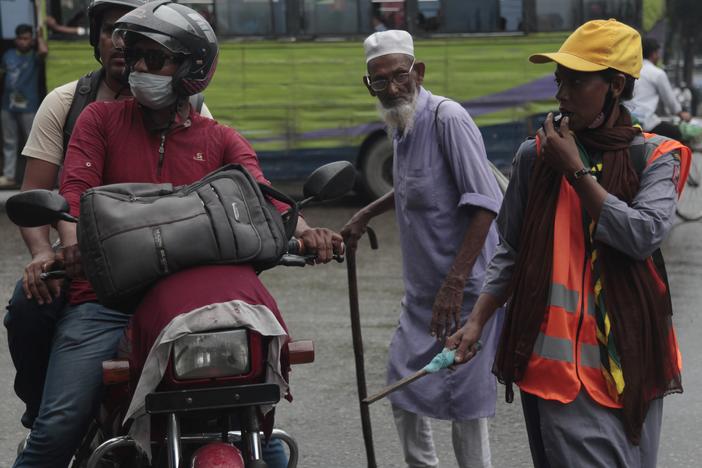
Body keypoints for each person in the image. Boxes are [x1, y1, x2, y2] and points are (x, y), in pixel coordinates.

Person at [11, 1, 340, 466]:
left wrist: (308, 232)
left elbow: (262, 196)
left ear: (192, 68)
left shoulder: (221, 138)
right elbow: (75, 194)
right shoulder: (98, 120)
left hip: (198, 305)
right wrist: (74, 247)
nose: (137, 67)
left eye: (153, 57)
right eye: (134, 55)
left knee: (263, 436)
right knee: (57, 426)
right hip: (106, 300)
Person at [447, 19, 691, 467]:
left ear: (616, 85)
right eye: (560, 80)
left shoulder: (657, 156)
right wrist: (478, 320)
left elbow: (642, 236)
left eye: (576, 81)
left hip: (634, 363)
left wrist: (577, 173)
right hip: (555, 373)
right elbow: (512, 249)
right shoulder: (534, 155)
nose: (561, 94)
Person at [3, 0, 176, 437]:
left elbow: (227, 178)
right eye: (113, 31)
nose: (123, 43)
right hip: (85, 253)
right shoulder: (67, 102)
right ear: (98, 42)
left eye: (139, 36)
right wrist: (45, 253)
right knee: (29, 306)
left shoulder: (184, 106)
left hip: (165, 251)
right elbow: (41, 192)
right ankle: (45, 414)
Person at [341, 30, 503, 468]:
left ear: (419, 72)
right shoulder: (399, 122)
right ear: (368, 84)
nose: (392, 88)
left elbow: (486, 204)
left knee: (466, 413)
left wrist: (454, 283)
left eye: (400, 76)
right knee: (403, 390)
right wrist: (365, 215)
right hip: (422, 297)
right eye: (380, 81)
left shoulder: (447, 118)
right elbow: (412, 187)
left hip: (465, 295)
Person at [0, 24, 48, 188]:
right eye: (20, 38)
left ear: (32, 40)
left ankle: (36, 178)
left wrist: (40, 37)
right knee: (9, 141)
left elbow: (44, 51)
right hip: (7, 105)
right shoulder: (8, 55)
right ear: (16, 39)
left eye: (26, 38)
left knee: (33, 143)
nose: (23, 42)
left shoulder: (34, 56)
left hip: (29, 106)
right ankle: (9, 176)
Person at [627, 37, 691, 141]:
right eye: (657, 53)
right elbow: (670, 101)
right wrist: (681, 113)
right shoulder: (657, 73)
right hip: (646, 123)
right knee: (677, 134)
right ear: (653, 54)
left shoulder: (630, 69)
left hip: (626, 120)